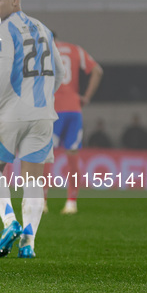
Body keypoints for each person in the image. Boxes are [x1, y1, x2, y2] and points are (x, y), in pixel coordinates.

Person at [0, 0, 64, 259]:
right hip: (42, 115)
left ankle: (9, 221)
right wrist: (42, 94)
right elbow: (61, 73)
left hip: (10, 113)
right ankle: (28, 243)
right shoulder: (42, 28)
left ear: (15, 0)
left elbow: (3, 71)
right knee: (34, 180)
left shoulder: (4, 29)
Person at [51, 32, 103, 214]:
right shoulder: (76, 50)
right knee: (73, 156)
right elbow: (98, 71)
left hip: (53, 109)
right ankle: (71, 203)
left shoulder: (44, 50)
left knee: (44, 156)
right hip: (74, 109)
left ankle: (41, 202)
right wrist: (86, 98)